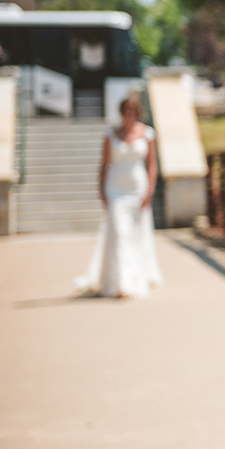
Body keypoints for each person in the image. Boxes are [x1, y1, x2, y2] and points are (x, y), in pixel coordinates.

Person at [74, 95, 163, 298]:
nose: (129, 115)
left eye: (133, 112)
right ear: (122, 113)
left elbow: (152, 165)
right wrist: (101, 192)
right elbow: (104, 164)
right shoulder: (110, 135)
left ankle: (134, 276)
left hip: (138, 188)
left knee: (135, 234)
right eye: (126, 111)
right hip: (115, 189)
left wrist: (149, 191)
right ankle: (120, 283)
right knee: (119, 233)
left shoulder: (148, 134)